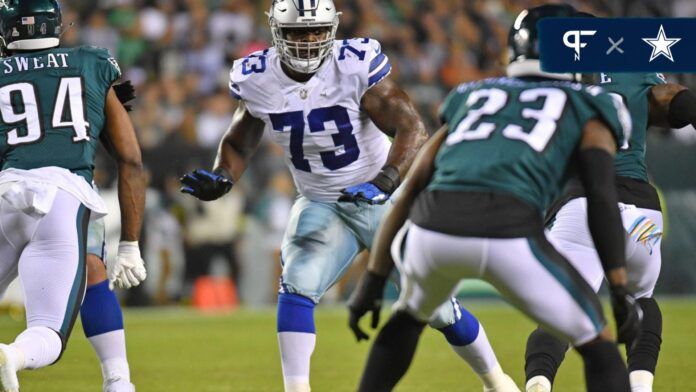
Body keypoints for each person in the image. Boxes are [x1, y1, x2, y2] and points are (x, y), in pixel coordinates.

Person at [180, 1, 516, 391]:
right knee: (297, 283)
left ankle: (497, 382)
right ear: (275, 31)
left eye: (316, 31)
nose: (307, 41)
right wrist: (224, 175)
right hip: (321, 202)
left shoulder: (353, 65)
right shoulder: (259, 77)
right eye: (296, 33)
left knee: (438, 307)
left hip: (381, 200)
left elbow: (412, 128)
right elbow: (239, 142)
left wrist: (384, 182)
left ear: (333, 28)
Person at [352, 4, 641, 392]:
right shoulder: (591, 105)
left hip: (432, 231)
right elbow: (601, 200)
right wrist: (620, 287)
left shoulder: (472, 95)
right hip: (509, 231)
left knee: (406, 318)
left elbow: (412, 189)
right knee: (599, 345)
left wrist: (373, 281)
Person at [524, 56, 696, 392]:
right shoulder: (634, 72)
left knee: (563, 306)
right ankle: (641, 387)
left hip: (582, 203)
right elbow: (680, 100)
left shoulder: (550, 70)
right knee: (642, 298)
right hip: (642, 211)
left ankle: (539, 385)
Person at [0, 1, 146, 391]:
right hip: (65, 193)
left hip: (5, 192)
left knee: (93, 267)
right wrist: (131, 241)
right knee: (51, 325)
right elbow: (130, 158)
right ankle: (114, 380)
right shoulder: (90, 61)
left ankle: (118, 382)